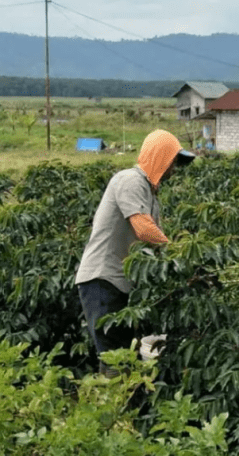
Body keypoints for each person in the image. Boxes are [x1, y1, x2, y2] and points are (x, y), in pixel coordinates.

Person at [75, 129, 195, 376]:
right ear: (160, 158)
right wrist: (180, 253)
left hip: (120, 284)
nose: (174, 170)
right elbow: (144, 229)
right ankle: (110, 410)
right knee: (115, 357)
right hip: (103, 280)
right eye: (172, 162)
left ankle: (119, 407)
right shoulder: (130, 180)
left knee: (127, 355)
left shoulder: (150, 194)